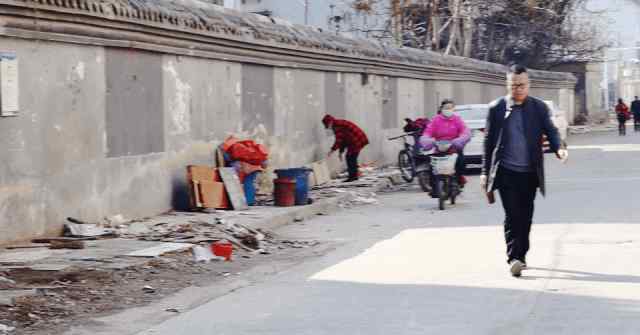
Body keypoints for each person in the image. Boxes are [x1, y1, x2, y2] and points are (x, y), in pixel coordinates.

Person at [480, 64, 569, 278]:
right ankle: (514, 258)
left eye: (522, 85)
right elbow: (488, 142)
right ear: (507, 85)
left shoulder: (538, 108)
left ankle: (522, 254)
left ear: (528, 85)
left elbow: (551, 131)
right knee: (512, 214)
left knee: (526, 215)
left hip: (529, 172)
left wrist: (559, 149)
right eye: (514, 85)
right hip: (506, 171)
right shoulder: (496, 108)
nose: (518, 89)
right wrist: (484, 171)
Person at [419, 99, 470, 188]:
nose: (448, 110)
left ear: (453, 109)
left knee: (461, 161)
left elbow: (465, 132)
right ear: (441, 108)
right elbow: (427, 133)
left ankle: (459, 179)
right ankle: (434, 187)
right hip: (439, 147)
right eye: (446, 108)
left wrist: (459, 140)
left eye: (450, 108)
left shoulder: (457, 120)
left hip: (454, 147)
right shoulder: (436, 120)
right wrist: (428, 140)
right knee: (432, 167)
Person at [322, 115, 369, 182]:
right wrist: (341, 152)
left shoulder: (337, 126)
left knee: (350, 157)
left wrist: (332, 150)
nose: (328, 128)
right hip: (355, 139)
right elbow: (343, 140)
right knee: (351, 157)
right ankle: (354, 176)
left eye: (327, 125)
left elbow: (339, 140)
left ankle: (353, 177)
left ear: (330, 122)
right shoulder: (337, 124)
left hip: (356, 140)